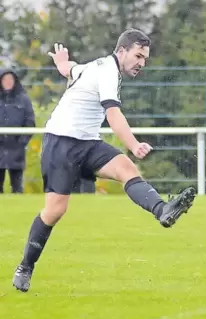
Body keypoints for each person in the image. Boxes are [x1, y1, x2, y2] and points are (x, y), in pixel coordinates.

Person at [13, 28, 196, 292]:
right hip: (61, 143)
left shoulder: (95, 67)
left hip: (87, 143)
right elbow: (113, 115)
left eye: (145, 58)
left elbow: (71, 70)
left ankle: (162, 210)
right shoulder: (108, 72)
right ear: (121, 51)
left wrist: (62, 63)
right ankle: (25, 266)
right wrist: (133, 144)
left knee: (126, 168)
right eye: (138, 56)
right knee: (55, 210)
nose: (141, 63)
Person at [0, 69, 36, 193]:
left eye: (11, 79)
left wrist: (22, 142)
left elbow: (30, 122)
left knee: (17, 186)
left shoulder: (23, 99)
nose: (8, 82)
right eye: (5, 79)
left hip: (16, 148)